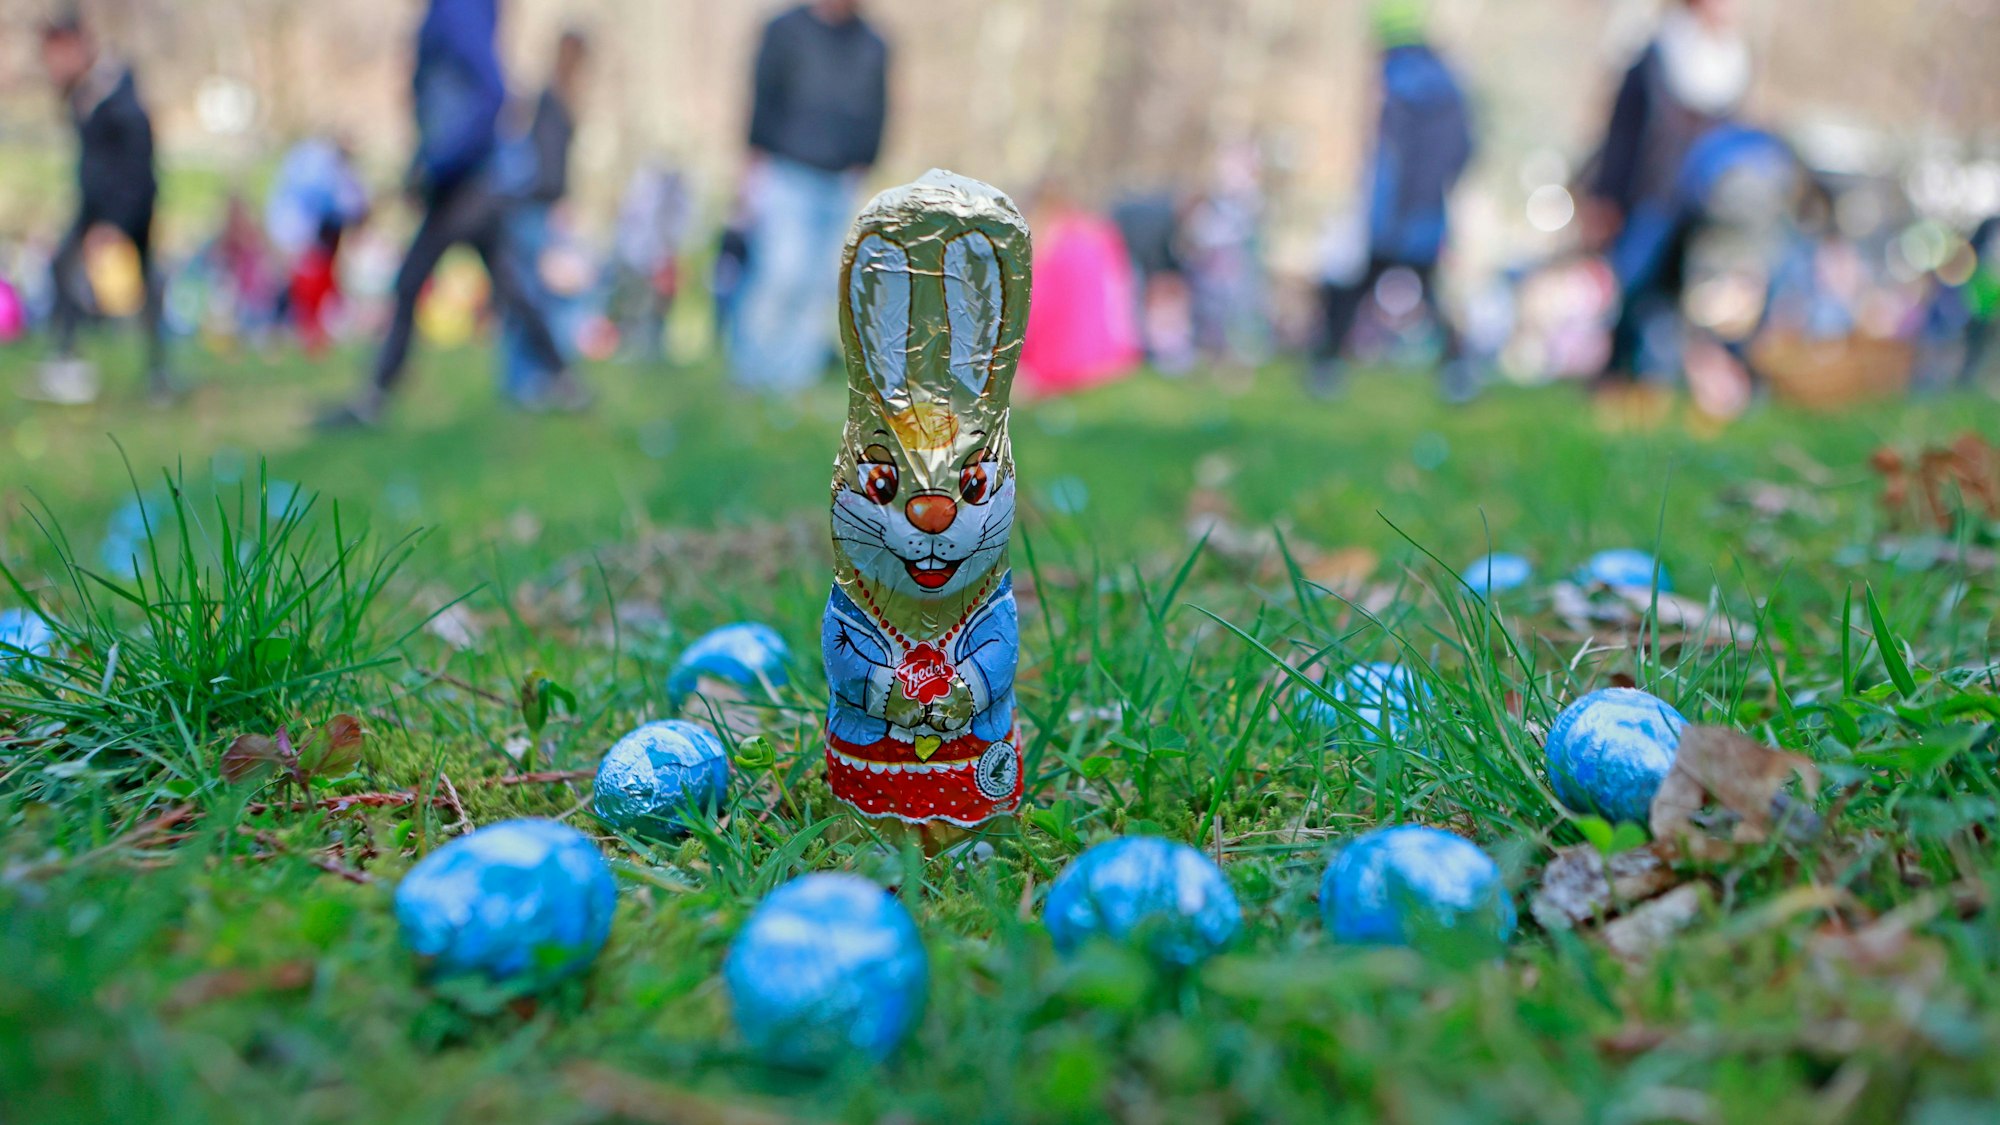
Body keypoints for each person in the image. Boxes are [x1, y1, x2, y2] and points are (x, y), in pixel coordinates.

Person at [317, 0, 584, 429]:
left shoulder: (457, 8)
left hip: (463, 182)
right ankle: (566, 380)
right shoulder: (460, 9)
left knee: (413, 282)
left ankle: (375, 394)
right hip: (466, 176)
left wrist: (436, 163)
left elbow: (488, 91)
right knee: (509, 285)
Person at [1582, 0, 1751, 386]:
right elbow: (1622, 134)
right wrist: (1605, 196)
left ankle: (1665, 376)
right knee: (1635, 283)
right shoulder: (1656, 54)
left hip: (1705, 199)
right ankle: (1617, 374)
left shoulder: (1734, 60)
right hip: (1652, 193)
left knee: (1686, 293)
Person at [1310, 0, 1473, 397]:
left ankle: (1326, 367)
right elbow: (1464, 148)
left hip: (1394, 212)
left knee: (1353, 287)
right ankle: (1458, 371)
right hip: (1425, 209)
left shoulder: (1399, 79)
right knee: (1427, 291)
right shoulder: (1447, 79)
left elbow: (1393, 156)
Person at [729, 0, 889, 392]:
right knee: (781, 274)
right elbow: (763, 99)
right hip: (787, 173)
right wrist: (752, 172)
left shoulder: (873, 44)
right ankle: (751, 376)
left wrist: (864, 165)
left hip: (840, 181)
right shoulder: (785, 30)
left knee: (816, 284)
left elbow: (878, 110)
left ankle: (789, 384)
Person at [36, 12, 170, 404]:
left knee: (144, 285)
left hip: (129, 206)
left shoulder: (116, 90)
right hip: (93, 207)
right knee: (62, 266)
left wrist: (114, 222)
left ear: (78, 45)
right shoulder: (81, 93)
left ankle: (158, 374)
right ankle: (66, 360)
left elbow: (134, 165)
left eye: (58, 53)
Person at [493, 28, 589, 404]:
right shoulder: (552, 101)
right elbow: (549, 166)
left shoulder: (549, 100)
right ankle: (527, 382)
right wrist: (558, 204)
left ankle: (531, 379)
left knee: (531, 296)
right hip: (536, 209)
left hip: (536, 206)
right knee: (532, 297)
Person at [265, 136, 370, 354]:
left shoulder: (329, 168)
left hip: (315, 232)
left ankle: (307, 330)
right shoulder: (322, 167)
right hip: (308, 231)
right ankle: (294, 328)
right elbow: (337, 202)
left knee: (315, 282)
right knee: (305, 283)